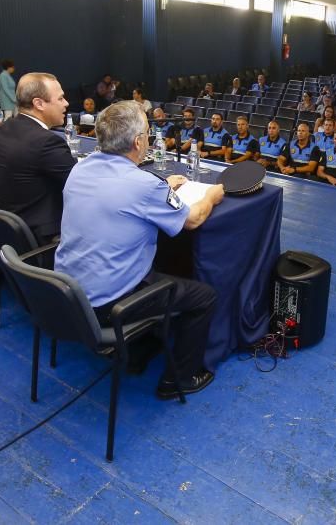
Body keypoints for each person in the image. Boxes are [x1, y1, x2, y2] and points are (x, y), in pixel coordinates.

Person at [55, 101, 223, 399]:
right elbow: (194, 219)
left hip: (67, 293)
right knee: (204, 297)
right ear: (138, 142)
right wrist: (211, 195)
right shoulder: (144, 185)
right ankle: (179, 380)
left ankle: (140, 348)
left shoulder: (79, 171)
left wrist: (160, 186)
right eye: (147, 132)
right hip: (108, 304)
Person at [0, 73, 74, 244]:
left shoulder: (3, 129)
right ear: (39, 103)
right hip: (41, 234)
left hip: (7, 232)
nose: (66, 103)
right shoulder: (45, 141)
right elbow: (82, 183)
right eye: (61, 98)